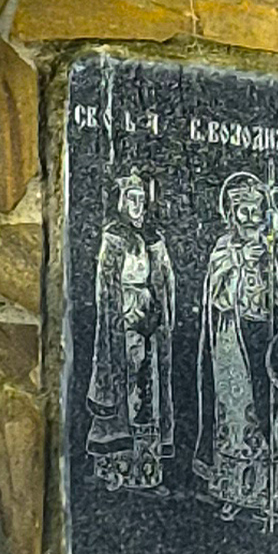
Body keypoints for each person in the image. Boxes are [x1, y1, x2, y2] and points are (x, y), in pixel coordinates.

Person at [196, 169, 278, 522]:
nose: (251, 217)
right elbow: (218, 294)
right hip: (233, 339)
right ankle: (234, 491)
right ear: (230, 212)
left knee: (270, 409)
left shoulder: (273, 242)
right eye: (243, 210)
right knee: (239, 415)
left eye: (256, 209)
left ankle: (272, 491)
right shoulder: (224, 248)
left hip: (267, 334)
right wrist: (242, 261)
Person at [85, 166, 175, 491]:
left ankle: (146, 473)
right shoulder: (113, 237)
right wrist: (124, 316)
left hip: (148, 324)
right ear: (121, 201)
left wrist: (158, 315)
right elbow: (105, 286)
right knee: (123, 395)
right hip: (123, 326)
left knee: (146, 397)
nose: (137, 205)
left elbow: (164, 280)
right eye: (131, 198)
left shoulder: (153, 238)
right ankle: (116, 472)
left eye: (141, 199)